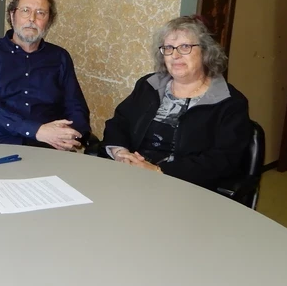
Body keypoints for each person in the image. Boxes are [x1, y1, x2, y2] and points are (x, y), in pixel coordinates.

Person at [103, 16, 251, 190]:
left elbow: (222, 161)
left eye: (185, 47)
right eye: (168, 48)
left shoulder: (230, 102)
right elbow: (119, 123)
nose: (175, 55)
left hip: (186, 188)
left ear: (205, 52)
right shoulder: (149, 85)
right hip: (132, 175)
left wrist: (157, 170)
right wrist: (121, 154)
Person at [0, 0, 90, 149]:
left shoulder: (60, 57)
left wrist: (69, 134)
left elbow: (76, 107)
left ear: (48, 22)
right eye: (25, 10)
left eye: (41, 13)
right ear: (13, 16)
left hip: (48, 147)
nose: (32, 18)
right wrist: (36, 130)